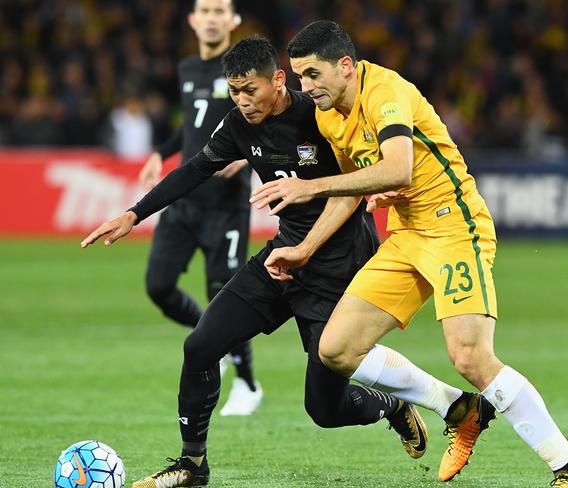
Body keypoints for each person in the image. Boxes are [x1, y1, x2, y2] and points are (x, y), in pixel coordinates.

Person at [251, 20, 568, 487]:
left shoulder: (386, 92)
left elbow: (398, 168)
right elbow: (350, 191)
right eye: (298, 77)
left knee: (471, 357)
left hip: (455, 227)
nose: (305, 87)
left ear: (345, 66)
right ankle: (458, 408)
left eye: (313, 75)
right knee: (335, 348)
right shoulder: (327, 115)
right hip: (407, 235)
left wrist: (309, 185)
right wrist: (305, 247)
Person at [81, 35, 436, 488]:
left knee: (324, 411)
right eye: (234, 91)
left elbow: (363, 177)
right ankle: (192, 465)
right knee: (201, 345)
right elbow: (194, 169)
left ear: (278, 79)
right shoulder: (238, 126)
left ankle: (392, 406)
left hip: (338, 267)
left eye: (251, 90)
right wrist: (134, 214)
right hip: (280, 259)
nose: (243, 102)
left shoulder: (320, 114)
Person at [138, 0, 262, 416]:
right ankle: (211, 338)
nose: (211, 17)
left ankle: (247, 382)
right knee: (158, 285)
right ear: (193, 20)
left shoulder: (245, 69)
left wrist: (246, 157)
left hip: (225, 206)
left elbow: (266, 119)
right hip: (184, 203)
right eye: (204, 10)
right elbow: (192, 124)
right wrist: (162, 151)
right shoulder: (188, 68)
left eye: (219, 10)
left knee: (224, 295)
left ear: (232, 21)